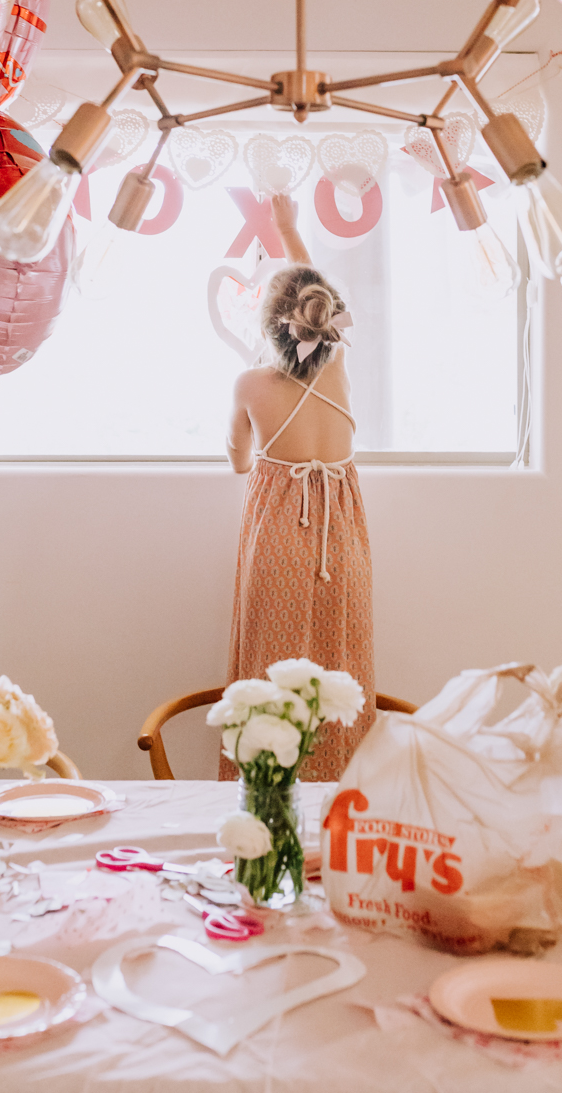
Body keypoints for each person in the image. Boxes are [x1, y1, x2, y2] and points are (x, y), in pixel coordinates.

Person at [223, 193, 374, 782]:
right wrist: (288, 227)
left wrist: (249, 444)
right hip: (341, 529)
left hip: (279, 530)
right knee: (342, 661)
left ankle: (267, 796)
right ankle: (340, 791)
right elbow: (318, 285)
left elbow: (239, 462)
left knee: (270, 666)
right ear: (323, 319)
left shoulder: (248, 383)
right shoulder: (335, 362)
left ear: (269, 325)